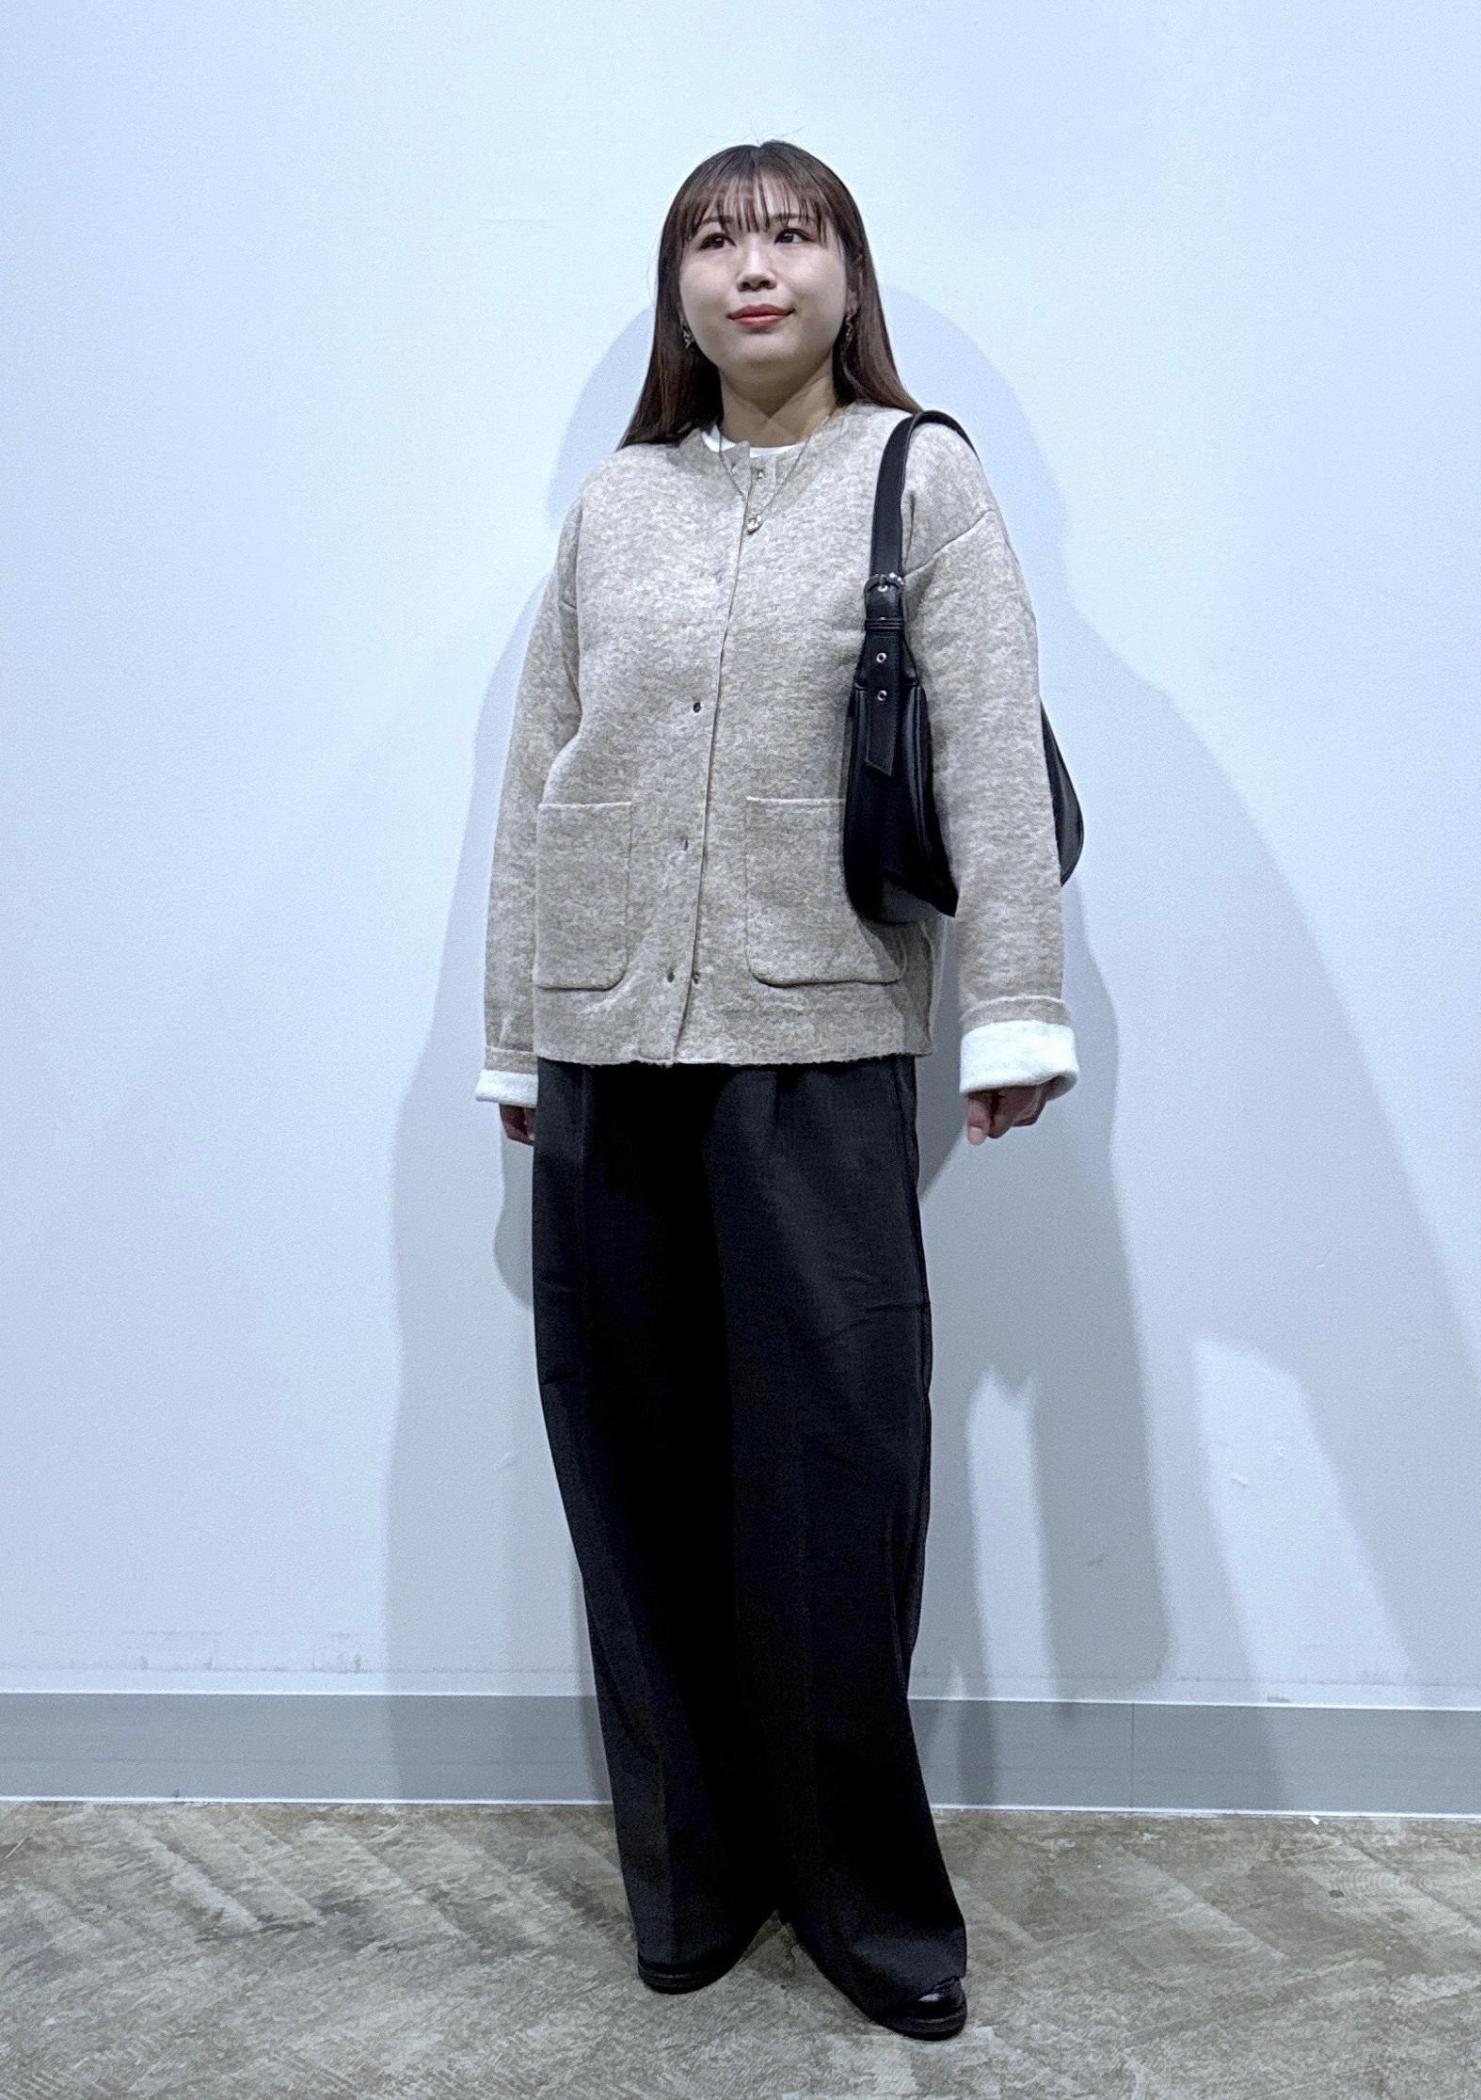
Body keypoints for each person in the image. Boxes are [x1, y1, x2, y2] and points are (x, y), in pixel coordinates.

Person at [477, 140, 1079, 2043]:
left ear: (847, 276)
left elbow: (988, 757)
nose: (756, 267)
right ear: (678, 288)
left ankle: (863, 1899)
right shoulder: (618, 502)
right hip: (607, 1052)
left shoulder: (922, 476)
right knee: (635, 1474)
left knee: (832, 1479)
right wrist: (519, 1027)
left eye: (793, 234)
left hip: (814, 1043)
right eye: (717, 239)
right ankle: (695, 1872)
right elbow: (542, 776)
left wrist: (1015, 1008)